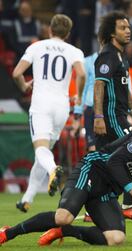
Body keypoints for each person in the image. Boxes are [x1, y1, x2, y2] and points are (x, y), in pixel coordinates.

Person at [0, 129, 132, 246]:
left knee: (116, 239)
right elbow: (114, 162)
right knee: (64, 215)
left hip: (108, 191)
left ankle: (66, 231)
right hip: (92, 170)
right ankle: (9, 233)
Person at [12, 14, 86, 212]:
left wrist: (24, 87)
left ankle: (54, 170)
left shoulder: (36, 46)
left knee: (41, 150)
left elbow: (16, 73)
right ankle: (27, 198)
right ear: (68, 33)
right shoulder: (74, 51)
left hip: (41, 104)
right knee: (43, 153)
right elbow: (82, 74)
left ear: (49, 30)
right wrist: (78, 96)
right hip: (61, 107)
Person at [92, 11, 132, 222]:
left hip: (121, 115)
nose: (128, 31)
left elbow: (125, 89)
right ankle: (127, 204)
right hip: (111, 117)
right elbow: (99, 85)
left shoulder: (120, 55)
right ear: (111, 32)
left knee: (104, 164)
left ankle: (95, 208)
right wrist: (98, 116)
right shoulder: (107, 55)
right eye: (122, 28)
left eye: (128, 27)